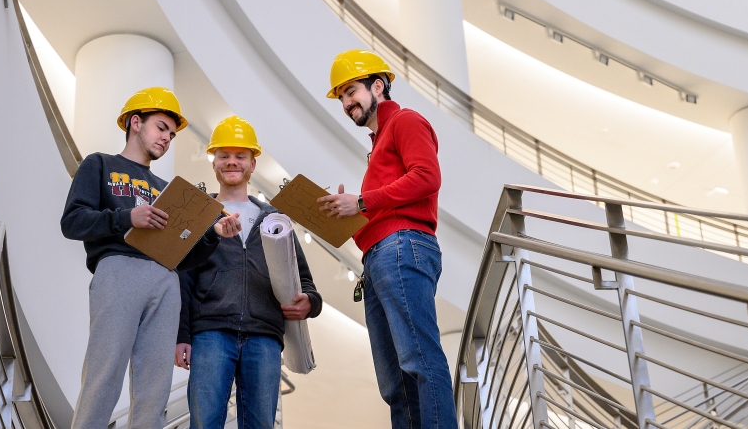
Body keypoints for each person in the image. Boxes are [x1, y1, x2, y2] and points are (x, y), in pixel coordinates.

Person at [61, 87, 242, 429]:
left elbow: (183, 258)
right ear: (135, 123)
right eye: (161, 128)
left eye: (172, 135)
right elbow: (72, 222)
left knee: (154, 389)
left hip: (166, 278)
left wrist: (212, 237)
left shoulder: (167, 186)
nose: (167, 138)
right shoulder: (99, 164)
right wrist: (127, 218)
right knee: (105, 372)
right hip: (118, 270)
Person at [318, 50, 456, 429]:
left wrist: (360, 201)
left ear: (377, 86)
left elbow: (427, 176)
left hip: (402, 248)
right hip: (381, 255)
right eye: (342, 97)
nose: (347, 103)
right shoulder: (378, 144)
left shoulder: (406, 121)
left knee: (420, 361)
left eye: (351, 92)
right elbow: (387, 204)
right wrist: (348, 213)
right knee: (395, 382)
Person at [175, 115, 322, 429]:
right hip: (210, 334)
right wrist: (181, 336)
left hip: (265, 338)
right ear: (213, 162)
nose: (231, 162)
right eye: (224, 156)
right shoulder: (198, 215)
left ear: (253, 163)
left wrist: (312, 301)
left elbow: (304, 278)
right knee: (204, 424)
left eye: (240, 156)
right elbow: (183, 278)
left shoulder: (275, 221)